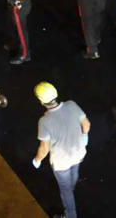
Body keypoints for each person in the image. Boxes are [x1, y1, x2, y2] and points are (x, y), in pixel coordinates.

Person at [32, 82, 90, 218]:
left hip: (61, 163)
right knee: (74, 174)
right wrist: (84, 137)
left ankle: (70, 215)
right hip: (78, 153)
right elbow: (86, 124)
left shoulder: (44, 121)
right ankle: (71, 190)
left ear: (41, 101)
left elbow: (44, 147)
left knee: (65, 190)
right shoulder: (72, 105)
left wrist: (37, 160)